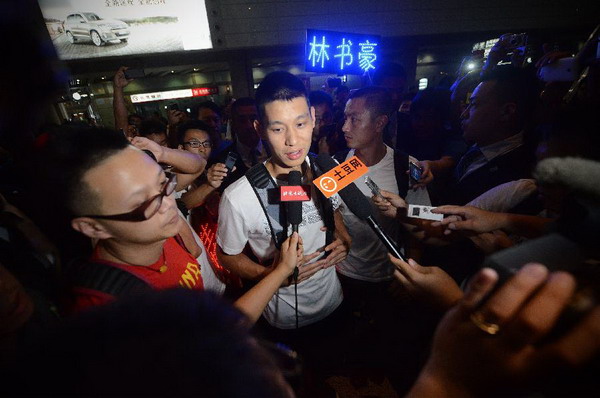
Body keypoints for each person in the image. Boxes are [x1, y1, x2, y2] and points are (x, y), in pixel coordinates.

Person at [34, 125, 299, 324]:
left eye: (163, 183)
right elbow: (215, 340)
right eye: (143, 203)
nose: (168, 204)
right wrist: (279, 272)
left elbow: (196, 166)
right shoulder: (108, 311)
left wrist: (159, 151)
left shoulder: (159, 231)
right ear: (93, 228)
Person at [216, 71, 351, 390]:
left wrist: (344, 238)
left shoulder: (324, 167)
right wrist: (270, 274)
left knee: (331, 370)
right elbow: (227, 255)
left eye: (301, 124)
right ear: (259, 128)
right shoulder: (238, 197)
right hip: (286, 320)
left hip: (335, 302)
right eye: (278, 128)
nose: (293, 141)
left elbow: (336, 210)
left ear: (314, 118)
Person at [444, 65, 540, 205]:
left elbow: (448, 218)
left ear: (507, 111)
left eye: (474, 104)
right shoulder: (479, 145)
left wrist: (410, 211)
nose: (464, 114)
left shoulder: (516, 178)